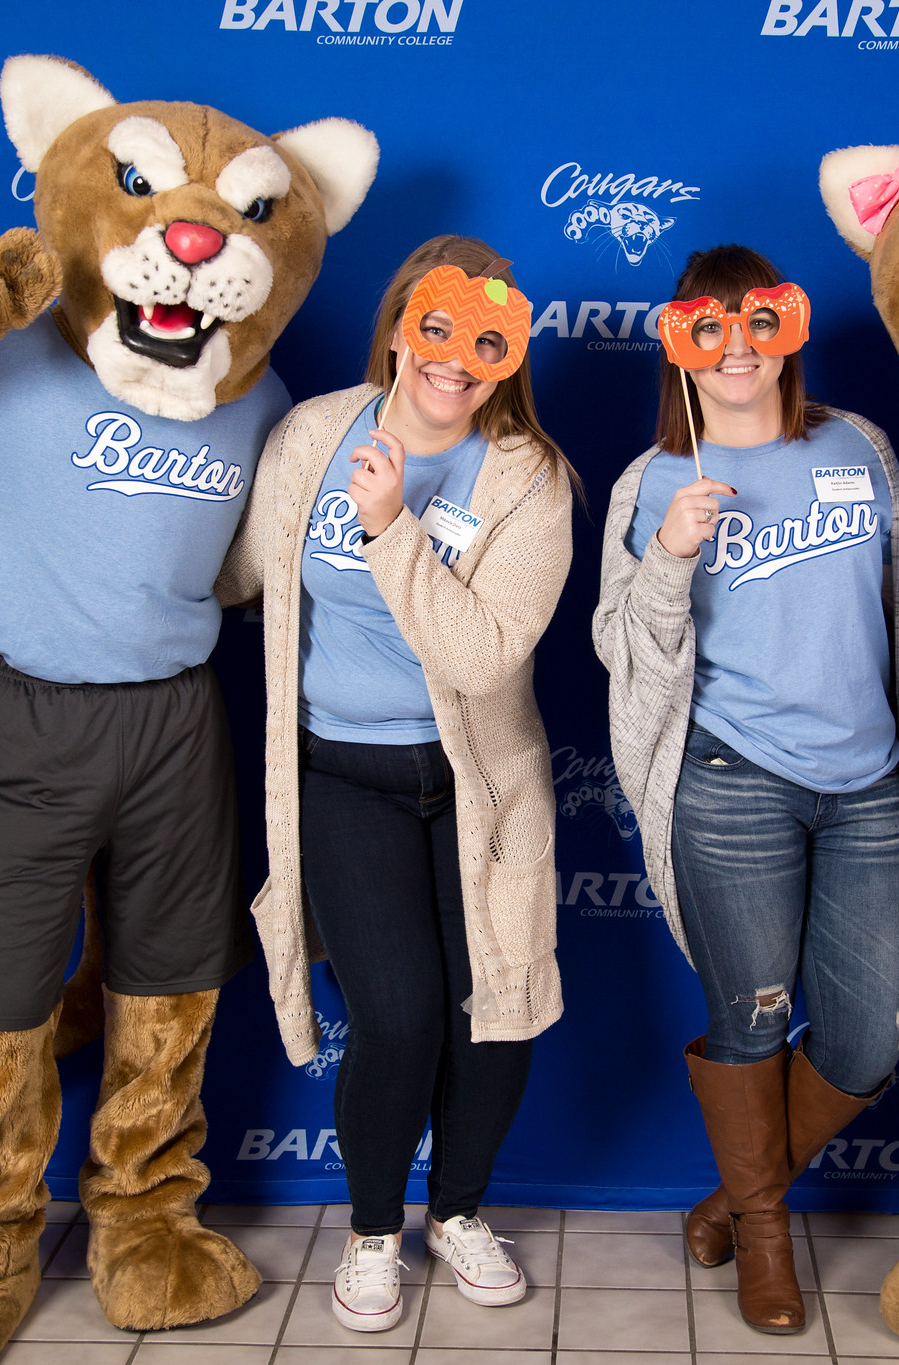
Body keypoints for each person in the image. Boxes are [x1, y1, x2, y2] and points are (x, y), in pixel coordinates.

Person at [217, 235, 574, 1334]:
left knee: (495, 1015)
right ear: (394, 327)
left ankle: (457, 1212)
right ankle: (373, 1231)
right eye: (437, 328)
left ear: (507, 356)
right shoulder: (312, 435)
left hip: (483, 784)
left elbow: (478, 658)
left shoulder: (530, 478)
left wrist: (390, 531)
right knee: (400, 1015)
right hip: (343, 777)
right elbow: (237, 578)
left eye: (485, 342)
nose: (454, 361)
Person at [592, 244, 899, 1335]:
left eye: (756, 320)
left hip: (867, 783)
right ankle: (766, 1245)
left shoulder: (857, 447)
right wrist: (671, 555)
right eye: (709, 325)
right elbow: (621, 644)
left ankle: (733, 1196)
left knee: (869, 1038)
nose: (735, 345)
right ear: (680, 343)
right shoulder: (651, 481)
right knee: (750, 1022)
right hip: (731, 782)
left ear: (788, 328)